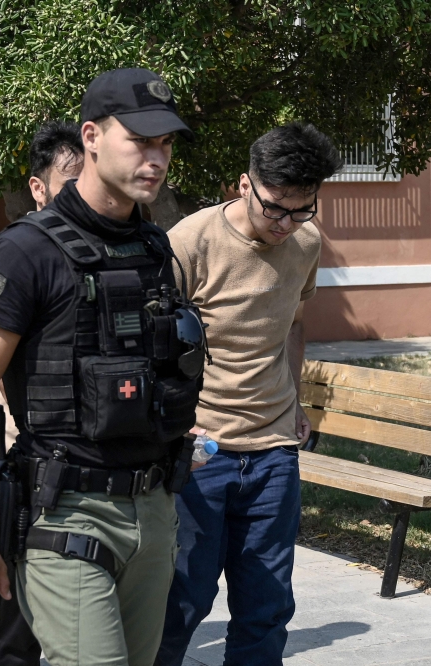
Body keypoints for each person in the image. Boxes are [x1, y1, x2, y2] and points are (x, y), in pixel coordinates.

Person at [0, 68, 204, 666]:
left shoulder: (154, 247)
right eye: (139, 139)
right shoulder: (26, 250)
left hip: (155, 506)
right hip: (68, 513)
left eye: (165, 142)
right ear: (91, 136)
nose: (156, 156)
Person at [155, 123, 342, 666]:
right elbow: (159, 342)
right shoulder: (189, 242)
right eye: (275, 209)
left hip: (274, 451)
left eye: (302, 210)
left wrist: (296, 399)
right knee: (183, 599)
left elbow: (292, 324)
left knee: (266, 605)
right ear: (245, 185)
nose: (287, 225)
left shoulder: (306, 242)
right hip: (201, 449)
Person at [0, 119, 83, 666]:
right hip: (35, 469)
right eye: (71, 179)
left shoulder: (132, 245)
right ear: (38, 187)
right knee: (15, 633)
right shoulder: (21, 253)